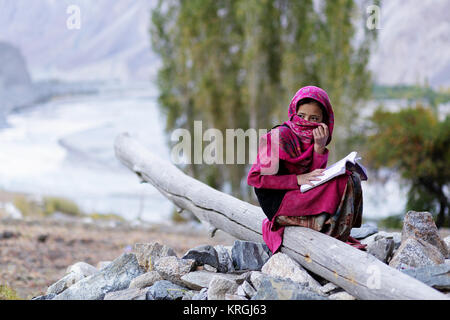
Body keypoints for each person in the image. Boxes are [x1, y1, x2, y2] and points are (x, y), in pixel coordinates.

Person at [247, 86, 366, 254]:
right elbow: (255, 178)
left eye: (314, 118)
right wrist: (296, 179)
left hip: (298, 193)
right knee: (343, 181)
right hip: (277, 202)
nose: (305, 122)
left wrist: (319, 148)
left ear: (324, 122)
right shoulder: (277, 137)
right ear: (293, 112)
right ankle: (333, 240)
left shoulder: (313, 138)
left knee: (350, 177)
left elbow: (313, 177)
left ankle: (339, 235)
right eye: (301, 116)